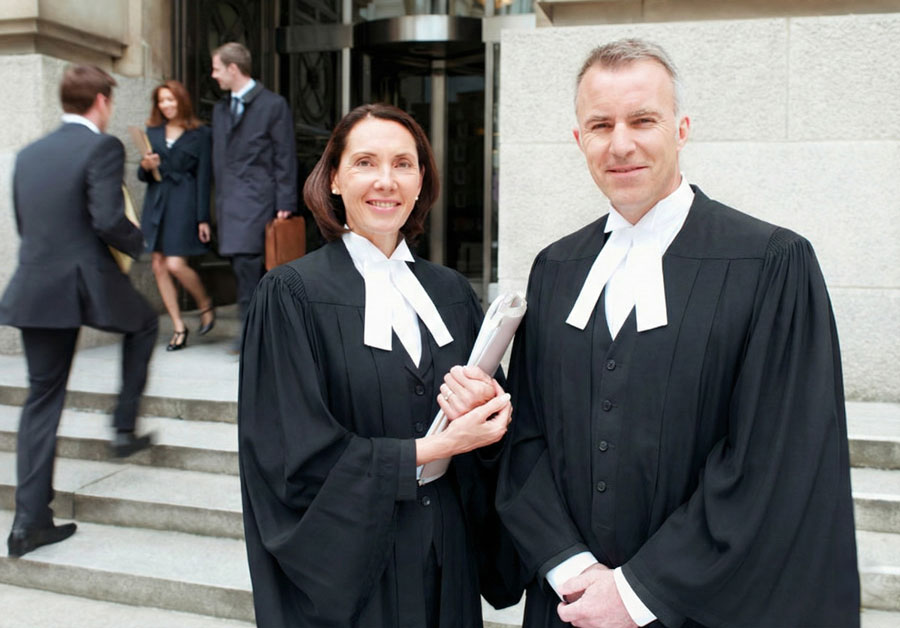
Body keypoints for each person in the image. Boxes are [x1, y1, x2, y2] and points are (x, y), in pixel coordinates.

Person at [496, 39, 859, 628]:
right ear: (578, 139)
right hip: (572, 607)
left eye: (643, 120)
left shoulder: (771, 263)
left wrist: (638, 592)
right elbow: (528, 438)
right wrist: (571, 569)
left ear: (682, 128)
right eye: (600, 125)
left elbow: (775, 458)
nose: (621, 144)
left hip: (700, 607)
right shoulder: (555, 269)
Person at [238, 103, 522, 627]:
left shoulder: (452, 292)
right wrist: (435, 448)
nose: (385, 181)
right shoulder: (291, 294)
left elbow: (493, 434)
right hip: (360, 570)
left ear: (421, 183)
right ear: (335, 181)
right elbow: (289, 455)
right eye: (365, 162)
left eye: (403, 165)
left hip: (448, 554)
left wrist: (493, 414)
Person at [0, 65, 158, 558]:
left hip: (34, 286)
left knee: (42, 397)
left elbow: (27, 224)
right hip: (85, 281)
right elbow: (107, 218)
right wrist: (143, 245)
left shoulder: (28, 153)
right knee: (147, 322)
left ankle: (29, 522)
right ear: (103, 101)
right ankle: (124, 426)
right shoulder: (103, 146)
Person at [210, 42, 297, 351]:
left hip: (258, 200)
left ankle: (251, 331)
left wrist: (285, 201)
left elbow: (284, 155)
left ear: (233, 69)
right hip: (228, 203)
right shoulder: (220, 109)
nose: (213, 75)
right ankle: (257, 331)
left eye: (217, 68)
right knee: (242, 264)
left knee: (250, 265)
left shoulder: (273, 105)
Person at [138, 80, 215, 351]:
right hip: (157, 201)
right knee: (158, 264)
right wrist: (146, 166)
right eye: (161, 100)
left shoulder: (201, 133)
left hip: (184, 201)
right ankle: (178, 327)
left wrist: (202, 217)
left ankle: (204, 302)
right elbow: (143, 176)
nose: (166, 105)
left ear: (181, 100)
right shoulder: (152, 131)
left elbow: (205, 177)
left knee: (174, 264)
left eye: (170, 99)